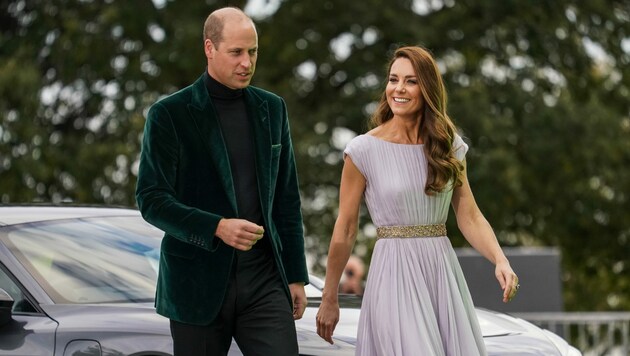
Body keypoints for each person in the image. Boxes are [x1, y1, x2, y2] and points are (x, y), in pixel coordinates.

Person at [315, 46, 519, 356]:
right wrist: (330, 296)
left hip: (440, 272)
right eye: (393, 79)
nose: (398, 89)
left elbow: (470, 216)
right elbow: (344, 229)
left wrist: (500, 260)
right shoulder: (362, 151)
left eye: (410, 81)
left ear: (427, 88)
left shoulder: (448, 146)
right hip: (392, 274)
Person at [135, 7, 308, 356]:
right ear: (210, 48)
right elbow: (151, 199)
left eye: (253, 52)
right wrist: (217, 226)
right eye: (237, 52)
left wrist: (295, 275)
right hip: (195, 284)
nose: (247, 62)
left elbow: (286, 198)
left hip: (263, 281)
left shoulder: (272, 109)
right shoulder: (169, 114)